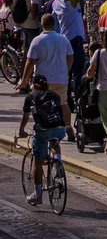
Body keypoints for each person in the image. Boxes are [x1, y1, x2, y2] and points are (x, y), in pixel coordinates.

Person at [17, 74, 67, 204]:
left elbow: (26, 116)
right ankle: (58, 162)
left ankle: (38, 194)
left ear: (33, 85)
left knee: (37, 163)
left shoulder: (30, 97)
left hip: (43, 131)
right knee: (55, 144)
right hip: (60, 130)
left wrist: (21, 131)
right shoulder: (55, 95)